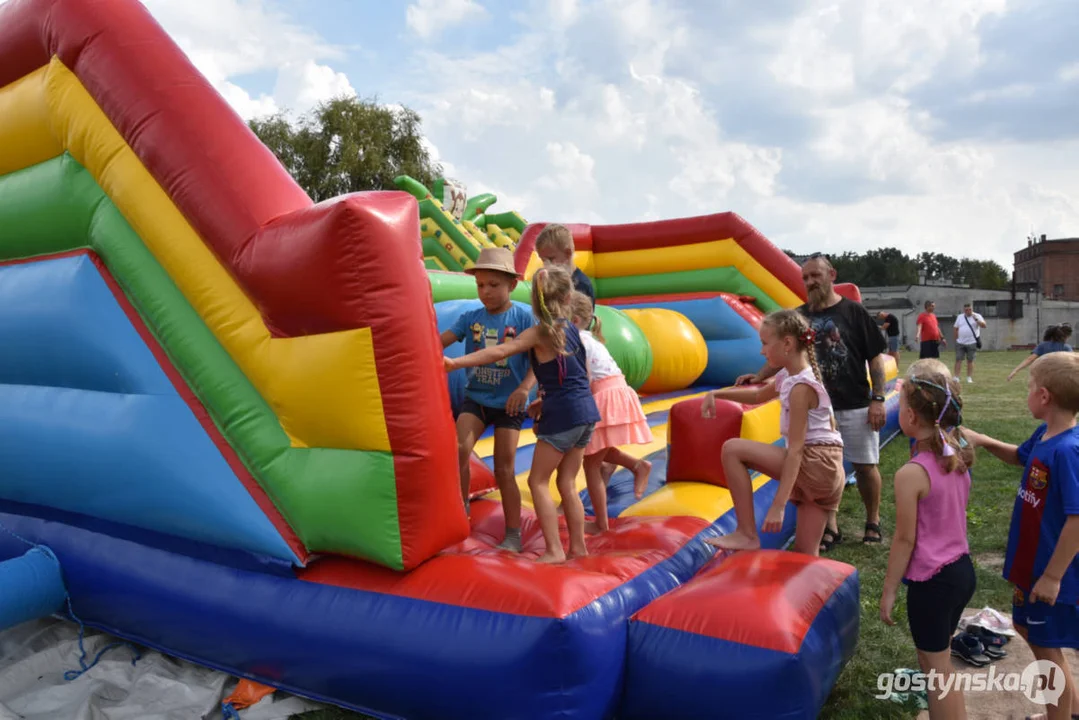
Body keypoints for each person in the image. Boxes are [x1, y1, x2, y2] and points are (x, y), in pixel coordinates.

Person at [445, 266, 601, 563]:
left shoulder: (539, 331)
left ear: (531, 298)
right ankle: (578, 547)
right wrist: (545, 400)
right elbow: (581, 372)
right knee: (567, 483)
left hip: (564, 415)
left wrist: (456, 363)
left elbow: (499, 352)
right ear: (568, 297)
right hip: (585, 413)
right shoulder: (569, 328)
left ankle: (554, 550)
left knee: (537, 482)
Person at [737, 254, 888, 550]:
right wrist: (759, 376)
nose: (810, 282)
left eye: (815, 275)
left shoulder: (854, 312)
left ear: (831, 274)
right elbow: (784, 354)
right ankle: (829, 528)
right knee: (824, 469)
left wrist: (878, 399)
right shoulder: (799, 316)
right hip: (816, 410)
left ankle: (873, 520)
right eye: (805, 277)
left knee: (866, 466)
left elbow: (875, 359)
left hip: (854, 402)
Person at [964, 352, 1079, 720]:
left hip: (1048, 573)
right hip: (1029, 566)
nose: (1025, 392)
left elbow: (1078, 519)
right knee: (1025, 628)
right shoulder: (1045, 434)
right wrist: (982, 439)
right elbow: (1019, 456)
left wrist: (1052, 576)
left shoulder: (1069, 451)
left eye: (1029, 386)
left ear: (1044, 396)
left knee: (1047, 651)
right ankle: (1070, 710)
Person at [702, 309, 844, 555]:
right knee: (805, 553)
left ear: (787, 343)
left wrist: (779, 504)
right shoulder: (790, 375)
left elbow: (797, 450)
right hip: (829, 470)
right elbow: (758, 395)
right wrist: (717, 393)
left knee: (732, 449)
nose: (761, 351)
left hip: (815, 463)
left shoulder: (801, 387)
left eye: (765, 343)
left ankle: (746, 533)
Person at [880, 360, 975, 720]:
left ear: (912, 417)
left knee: (938, 674)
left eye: (901, 405)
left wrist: (889, 590)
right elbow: (967, 436)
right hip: (960, 572)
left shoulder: (911, 474)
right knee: (936, 661)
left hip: (933, 583)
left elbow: (904, 539)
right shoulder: (958, 450)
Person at [440, 247, 536, 551]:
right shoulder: (471, 318)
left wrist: (524, 389)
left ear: (511, 285)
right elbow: (436, 341)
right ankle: (460, 511)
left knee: (505, 469)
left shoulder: (523, 317)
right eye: (480, 285)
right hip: (477, 398)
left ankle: (513, 532)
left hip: (509, 403)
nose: (485, 292)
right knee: (458, 450)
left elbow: (538, 359)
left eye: (493, 285)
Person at [567, 291, 654, 531]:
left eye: (559, 318)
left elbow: (582, 378)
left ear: (573, 321)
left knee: (590, 463)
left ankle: (601, 524)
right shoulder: (588, 338)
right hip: (616, 390)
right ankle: (637, 465)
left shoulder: (578, 341)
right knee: (595, 448)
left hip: (605, 396)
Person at [535, 223, 595, 307]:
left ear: (568, 253)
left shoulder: (581, 286)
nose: (546, 265)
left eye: (551, 259)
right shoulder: (550, 282)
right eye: (543, 260)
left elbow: (582, 318)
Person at [1008, 324, 1074, 382]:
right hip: (1060, 378)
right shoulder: (1066, 347)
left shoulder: (1042, 345)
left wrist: (1015, 370)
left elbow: (1030, 359)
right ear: (1064, 336)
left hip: (1043, 378)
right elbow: (1074, 362)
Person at [953, 302, 986, 384]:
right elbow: (955, 328)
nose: (968, 311)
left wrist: (976, 320)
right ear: (964, 310)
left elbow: (984, 326)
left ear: (972, 309)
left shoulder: (977, 316)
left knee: (970, 360)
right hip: (960, 342)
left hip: (972, 342)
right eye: (966, 310)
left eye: (970, 309)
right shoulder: (960, 317)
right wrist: (956, 339)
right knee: (958, 359)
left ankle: (969, 378)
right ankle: (956, 377)